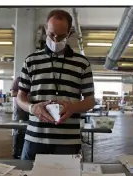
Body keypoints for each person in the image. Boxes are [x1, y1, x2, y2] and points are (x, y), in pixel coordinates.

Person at [16, 9, 95, 160]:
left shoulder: (82, 63)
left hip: (68, 141)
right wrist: (33, 108)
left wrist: (73, 107)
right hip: (35, 138)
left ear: (70, 33)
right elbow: (20, 97)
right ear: (46, 29)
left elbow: (90, 100)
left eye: (61, 36)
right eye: (51, 34)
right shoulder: (31, 61)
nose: (56, 40)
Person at [11, 76, 29, 159]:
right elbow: (12, 93)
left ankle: (23, 151)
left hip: (30, 110)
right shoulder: (19, 80)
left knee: (27, 131)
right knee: (18, 131)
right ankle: (15, 153)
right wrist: (24, 95)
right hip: (20, 110)